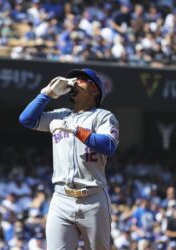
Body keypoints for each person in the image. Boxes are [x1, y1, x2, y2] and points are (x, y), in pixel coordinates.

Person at [19, 68, 119, 249]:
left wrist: (75, 129)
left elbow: (109, 146)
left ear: (95, 90)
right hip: (61, 198)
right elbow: (27, 119)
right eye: (73, 78)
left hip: (93, 198)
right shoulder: (61, 114)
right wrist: (47, 94)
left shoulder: (103, 116)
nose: (74, 81)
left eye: (81, 79)